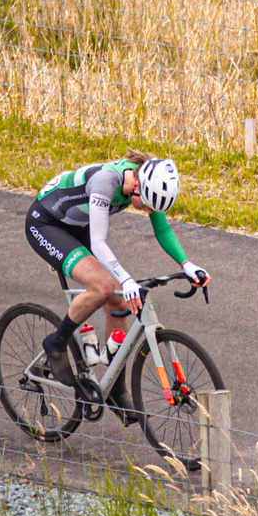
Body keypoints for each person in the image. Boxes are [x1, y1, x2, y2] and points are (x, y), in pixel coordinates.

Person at [24, 154, 207, 377]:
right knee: (103, 287)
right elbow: (99, 242)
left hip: (78, 224)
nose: (149, 212)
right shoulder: (105, 182)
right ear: (137, 185)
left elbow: (162, 230)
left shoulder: (144, 179)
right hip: (46, 224)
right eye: (148, 205)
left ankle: (114, 386)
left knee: (119, 302)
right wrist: (127, 280)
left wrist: (187, 264)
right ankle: (56, 343)